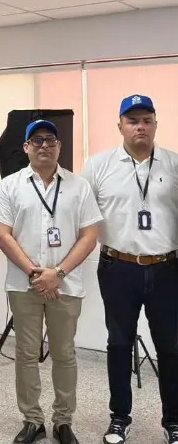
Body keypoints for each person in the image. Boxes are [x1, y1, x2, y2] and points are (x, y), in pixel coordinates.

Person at [0, 120, 102, 444]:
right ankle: (32, 420)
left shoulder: (79, 187)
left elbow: (89, 236)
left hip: (65, 286)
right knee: (26, 353)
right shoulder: (11, 186)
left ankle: (63, 421)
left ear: (59, 146)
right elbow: (2, 234)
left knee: (64, 354)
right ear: (26, 147)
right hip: (25, 286)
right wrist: (34, 272)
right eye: (36, 140)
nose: (43, 145)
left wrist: (58, 273)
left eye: (50, 140)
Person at [81, 95, 178, 444]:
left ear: (155, 123)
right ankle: (119, 418)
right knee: (119, 344)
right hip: (117, 268)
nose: (140, 126)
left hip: (167, 269)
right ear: (120, 125)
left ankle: (174, 421)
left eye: (147, 119)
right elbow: (85, 220)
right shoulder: (98, 166)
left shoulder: (173, 164)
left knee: (171, 346)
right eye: (132, 120)